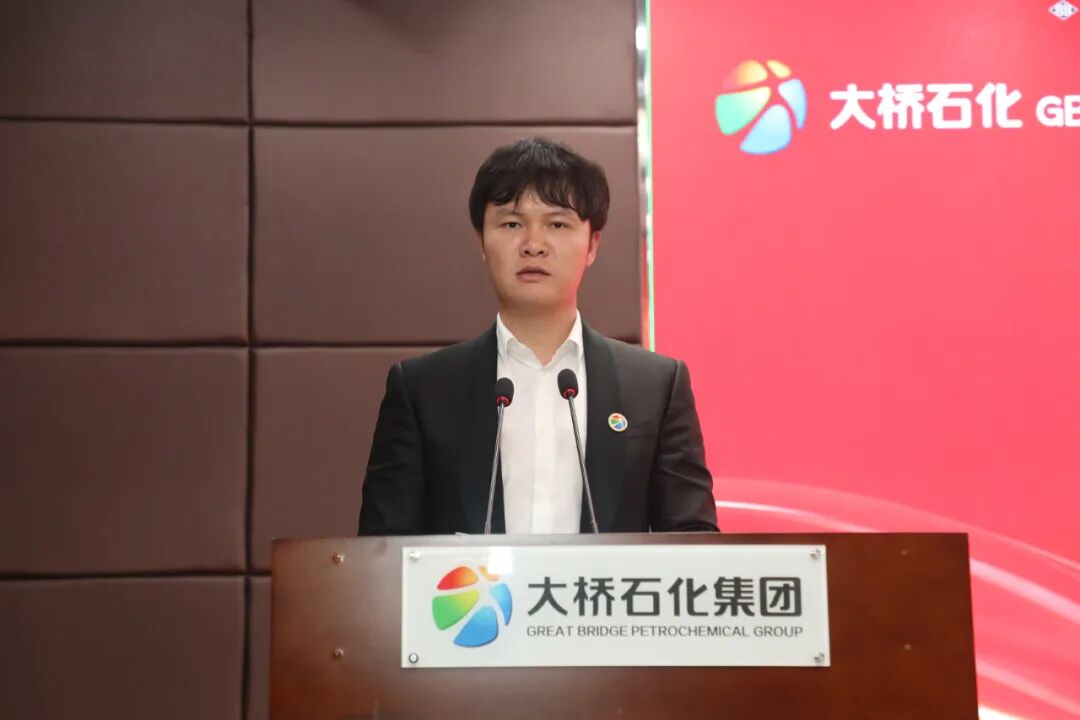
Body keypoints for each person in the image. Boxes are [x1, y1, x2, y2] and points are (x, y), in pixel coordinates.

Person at [357, 137, 717, 535]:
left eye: (557, 224)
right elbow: (382, 551)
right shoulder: (422, 391)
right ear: (482, 241)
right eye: (512, 224)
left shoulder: (656, 387)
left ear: (592, 245)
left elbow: (693, 543)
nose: (533, 245)